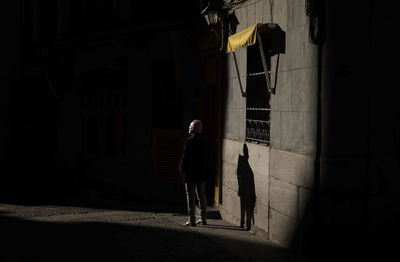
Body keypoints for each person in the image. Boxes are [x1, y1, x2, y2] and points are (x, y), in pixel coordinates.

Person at [180, 119, 208, 226]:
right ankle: (203, 218)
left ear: (193, 128)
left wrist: (182, 168)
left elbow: (185, 157)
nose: (188, 127)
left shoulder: (189, 140)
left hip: (190, 172)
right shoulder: (205, 140)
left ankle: (191, 219)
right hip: (201, 172)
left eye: (190, 126)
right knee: (201, 195)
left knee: (190, 195)